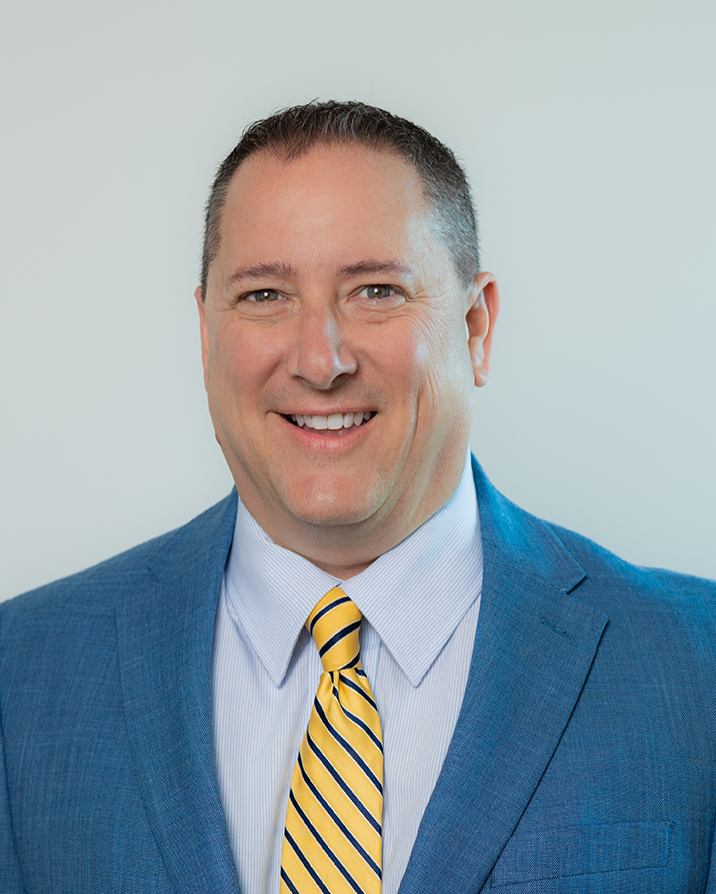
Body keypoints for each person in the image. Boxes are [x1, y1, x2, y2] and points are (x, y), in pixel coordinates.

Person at [1, 101, 715, 894]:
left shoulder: (696, 668)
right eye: (265, 296)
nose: (320, 359)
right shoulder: (21, 676)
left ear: (476, 327)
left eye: (374, 291)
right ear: (206, 336)